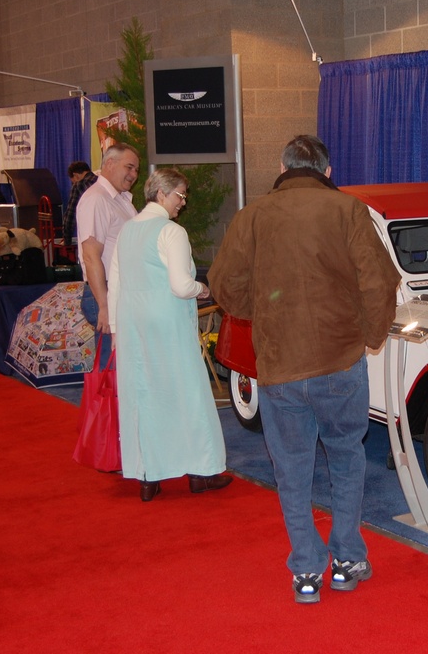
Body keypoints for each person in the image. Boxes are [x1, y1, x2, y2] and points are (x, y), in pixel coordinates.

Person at [209, 134, 400, 604]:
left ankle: (307, 572)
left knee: (292, 469)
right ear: (328, 171)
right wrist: (369, 337)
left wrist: (266, 315)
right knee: (347, 458)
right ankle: (348, 559)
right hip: (340, 361)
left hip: (279, 365)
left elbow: (223, 286)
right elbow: (381, 283)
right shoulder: (349, 212)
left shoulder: (251, 216)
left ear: (281, 166)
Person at [107, 168, 233, 501]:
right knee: (187, 395)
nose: (183, 202)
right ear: (162, 194)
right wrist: (203, 288)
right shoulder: (171, 232)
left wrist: (118, 330)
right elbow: (180, 286)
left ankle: (148, 476)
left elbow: (115, 284)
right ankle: (200, 472)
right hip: (167, 324)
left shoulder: (126, 231)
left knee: (143, 398)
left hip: (133, 325)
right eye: (180, 195)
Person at [75, 142, 140, 364]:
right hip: (105, 292)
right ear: (110, 163)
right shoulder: (97, 199)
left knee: (121, 367)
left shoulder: (120, 199)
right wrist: (104, 306)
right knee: (110, 369)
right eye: (129, 167)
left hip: (119, 292)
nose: (134, 175)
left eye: (136, 170)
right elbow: (91, 256)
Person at [62, 161, 98, 246]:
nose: (73, 184)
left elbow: (70, 215)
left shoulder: (79, 185)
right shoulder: (102, 182)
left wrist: (67, 240)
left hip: (90, 235)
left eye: (73, 181)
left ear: (76, 175)